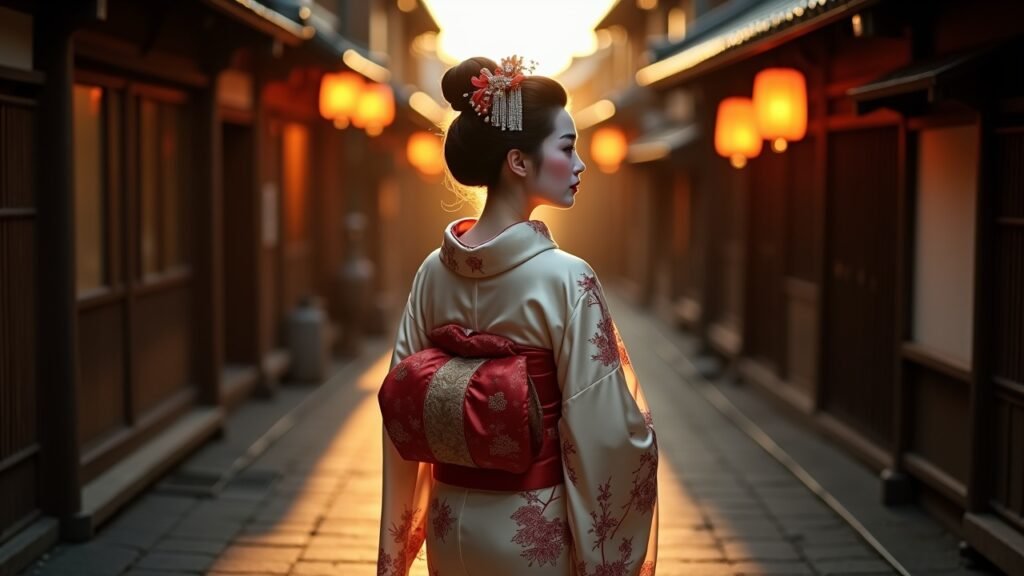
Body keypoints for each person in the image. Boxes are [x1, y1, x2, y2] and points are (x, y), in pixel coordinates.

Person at [377, 55, 658, 576]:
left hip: (447, 521)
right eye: (567, 148)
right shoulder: (568, 279)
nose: (581, 165)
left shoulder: (430, 274)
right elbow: (608, 433)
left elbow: (402, 409)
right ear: (519, 162)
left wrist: (397, 547)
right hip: (531, 531)